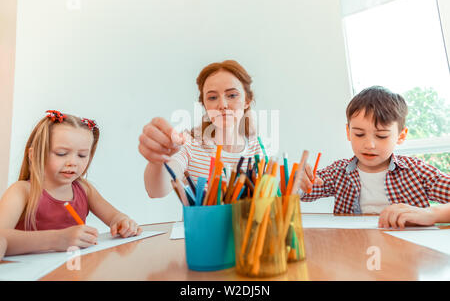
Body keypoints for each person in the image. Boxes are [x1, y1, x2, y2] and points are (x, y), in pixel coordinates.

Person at [298, 86, 450, 223]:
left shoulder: (417, 171)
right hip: (353, 246)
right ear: (348, 132)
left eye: (381, 136)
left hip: (406, 249)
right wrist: (295, 182)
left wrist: (432, 214)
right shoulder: (338, 172)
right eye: (359, 134)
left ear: (401, 136)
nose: (369, 145)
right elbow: (300, 193)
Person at [0, 110, 142, 256]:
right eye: (61, 153)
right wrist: (57, 239)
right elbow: (1, 237)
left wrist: (124, 222)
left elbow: (115, 217)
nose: (73, 162)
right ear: (34, 155)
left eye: (82, 155)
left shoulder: (85, 189)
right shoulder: (22, 191)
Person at [139, 60, 263, 198]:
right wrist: (157, 161)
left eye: (232, 95)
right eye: (213, 97)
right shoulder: (190, 142)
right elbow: (156, 190)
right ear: (204, 104)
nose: (222, 105)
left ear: (247, 100)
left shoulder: (256, 146)